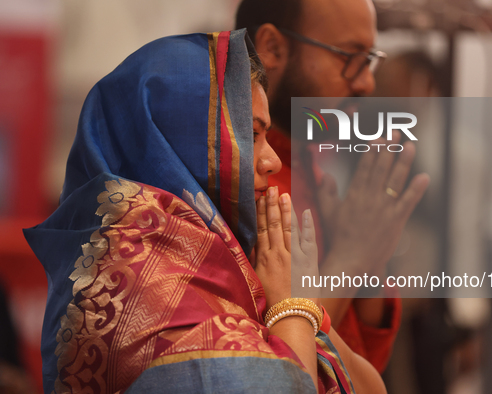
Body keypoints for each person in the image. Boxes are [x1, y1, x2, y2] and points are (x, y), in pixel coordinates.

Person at [24, 30, 386, 393]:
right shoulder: (142, 282)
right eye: (250, 136)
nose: (272, 160)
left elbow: (372, 386)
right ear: (178, 143)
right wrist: (293, 307)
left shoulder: (238, 265)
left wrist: (298, 300)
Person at [235, 0, 430, 372]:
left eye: (370, 59)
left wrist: (369, 257)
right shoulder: (237, 180)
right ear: (273, 48)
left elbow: (360, 365)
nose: (367, 82)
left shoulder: (310, 162)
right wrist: (351, 259)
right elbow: (271, 366)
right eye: (350, 57)